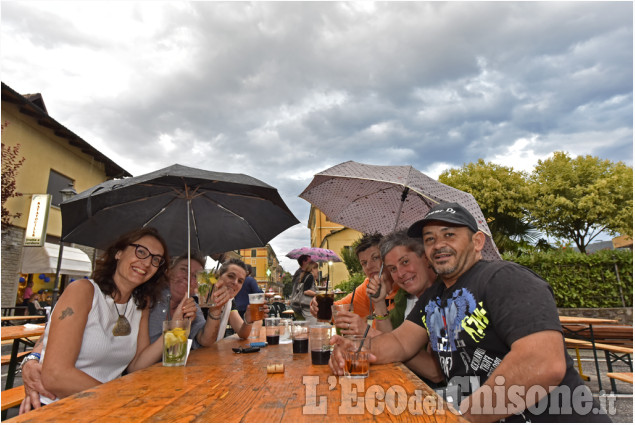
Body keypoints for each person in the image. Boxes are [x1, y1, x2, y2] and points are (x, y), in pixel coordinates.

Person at [329, 202, 609, 422]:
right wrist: (355, 347)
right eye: (429, 239)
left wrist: (460, 417)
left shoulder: (504, 278)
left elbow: (543, 363)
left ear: (477, 242)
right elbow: (400, 342)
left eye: (449, 235)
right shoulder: (433, 298)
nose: (438, 244)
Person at [19, 227, 173, 412]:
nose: (147, 263)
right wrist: (122, 398)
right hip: (58, 407)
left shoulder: (141, 304)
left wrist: (175, 329)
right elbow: (56, 376)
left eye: (156, 259)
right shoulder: (83, 291)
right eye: (141, 252)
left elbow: (136, 365)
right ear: (119, 252)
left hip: (104, 408)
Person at [332, 230, 443, 385]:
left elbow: (436, 371)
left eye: (405, 262)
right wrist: (379, 303)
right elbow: (392, 338)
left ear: (426, 258)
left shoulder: (443, 298)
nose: (401, 273)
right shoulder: (404, 298)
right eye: (392, 268)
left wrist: (367, 333)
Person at [309, 233, 399, 336]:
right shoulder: (367, 288)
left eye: (375, 258)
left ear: (387, 258)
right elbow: (338, 311)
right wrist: (317, 306)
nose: (369, 266)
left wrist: (364, 329)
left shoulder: (405, 288)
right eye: (364, 263)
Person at [297, 261, 319, 325]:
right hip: (308, 306)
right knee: (312, 326)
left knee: (311, 324)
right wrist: (317, 294)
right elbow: (306, 291)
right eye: (316, 269)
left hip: (305, 306)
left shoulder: (305, 276)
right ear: (312, 269)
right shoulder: (310, 276)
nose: (317, 271)